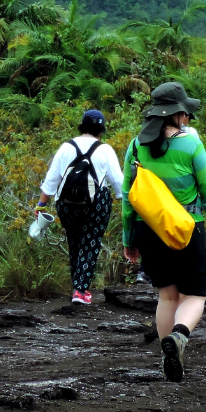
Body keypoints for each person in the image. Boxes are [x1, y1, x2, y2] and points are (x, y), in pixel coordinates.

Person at [122, 82, 206, 382]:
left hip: (149, 232)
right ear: (177, 115)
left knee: (167, 296)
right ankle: (180, 337)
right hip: (188, 231)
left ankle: (167, 356)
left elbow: (128, 198)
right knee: (195, 294)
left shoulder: (136, 146)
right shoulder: (191, 145)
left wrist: (128, 239)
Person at [36, 109, 124, 305]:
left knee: (74, 240)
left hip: (66, 204)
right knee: (90, 241)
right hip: (95, 205)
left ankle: (77, 285)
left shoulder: (66, 147)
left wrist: (41, 204)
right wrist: (123, 199)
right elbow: (118, 182)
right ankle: (80, 290)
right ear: (101, 130)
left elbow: (51, 180)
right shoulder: (104, 149)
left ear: (82, 126)